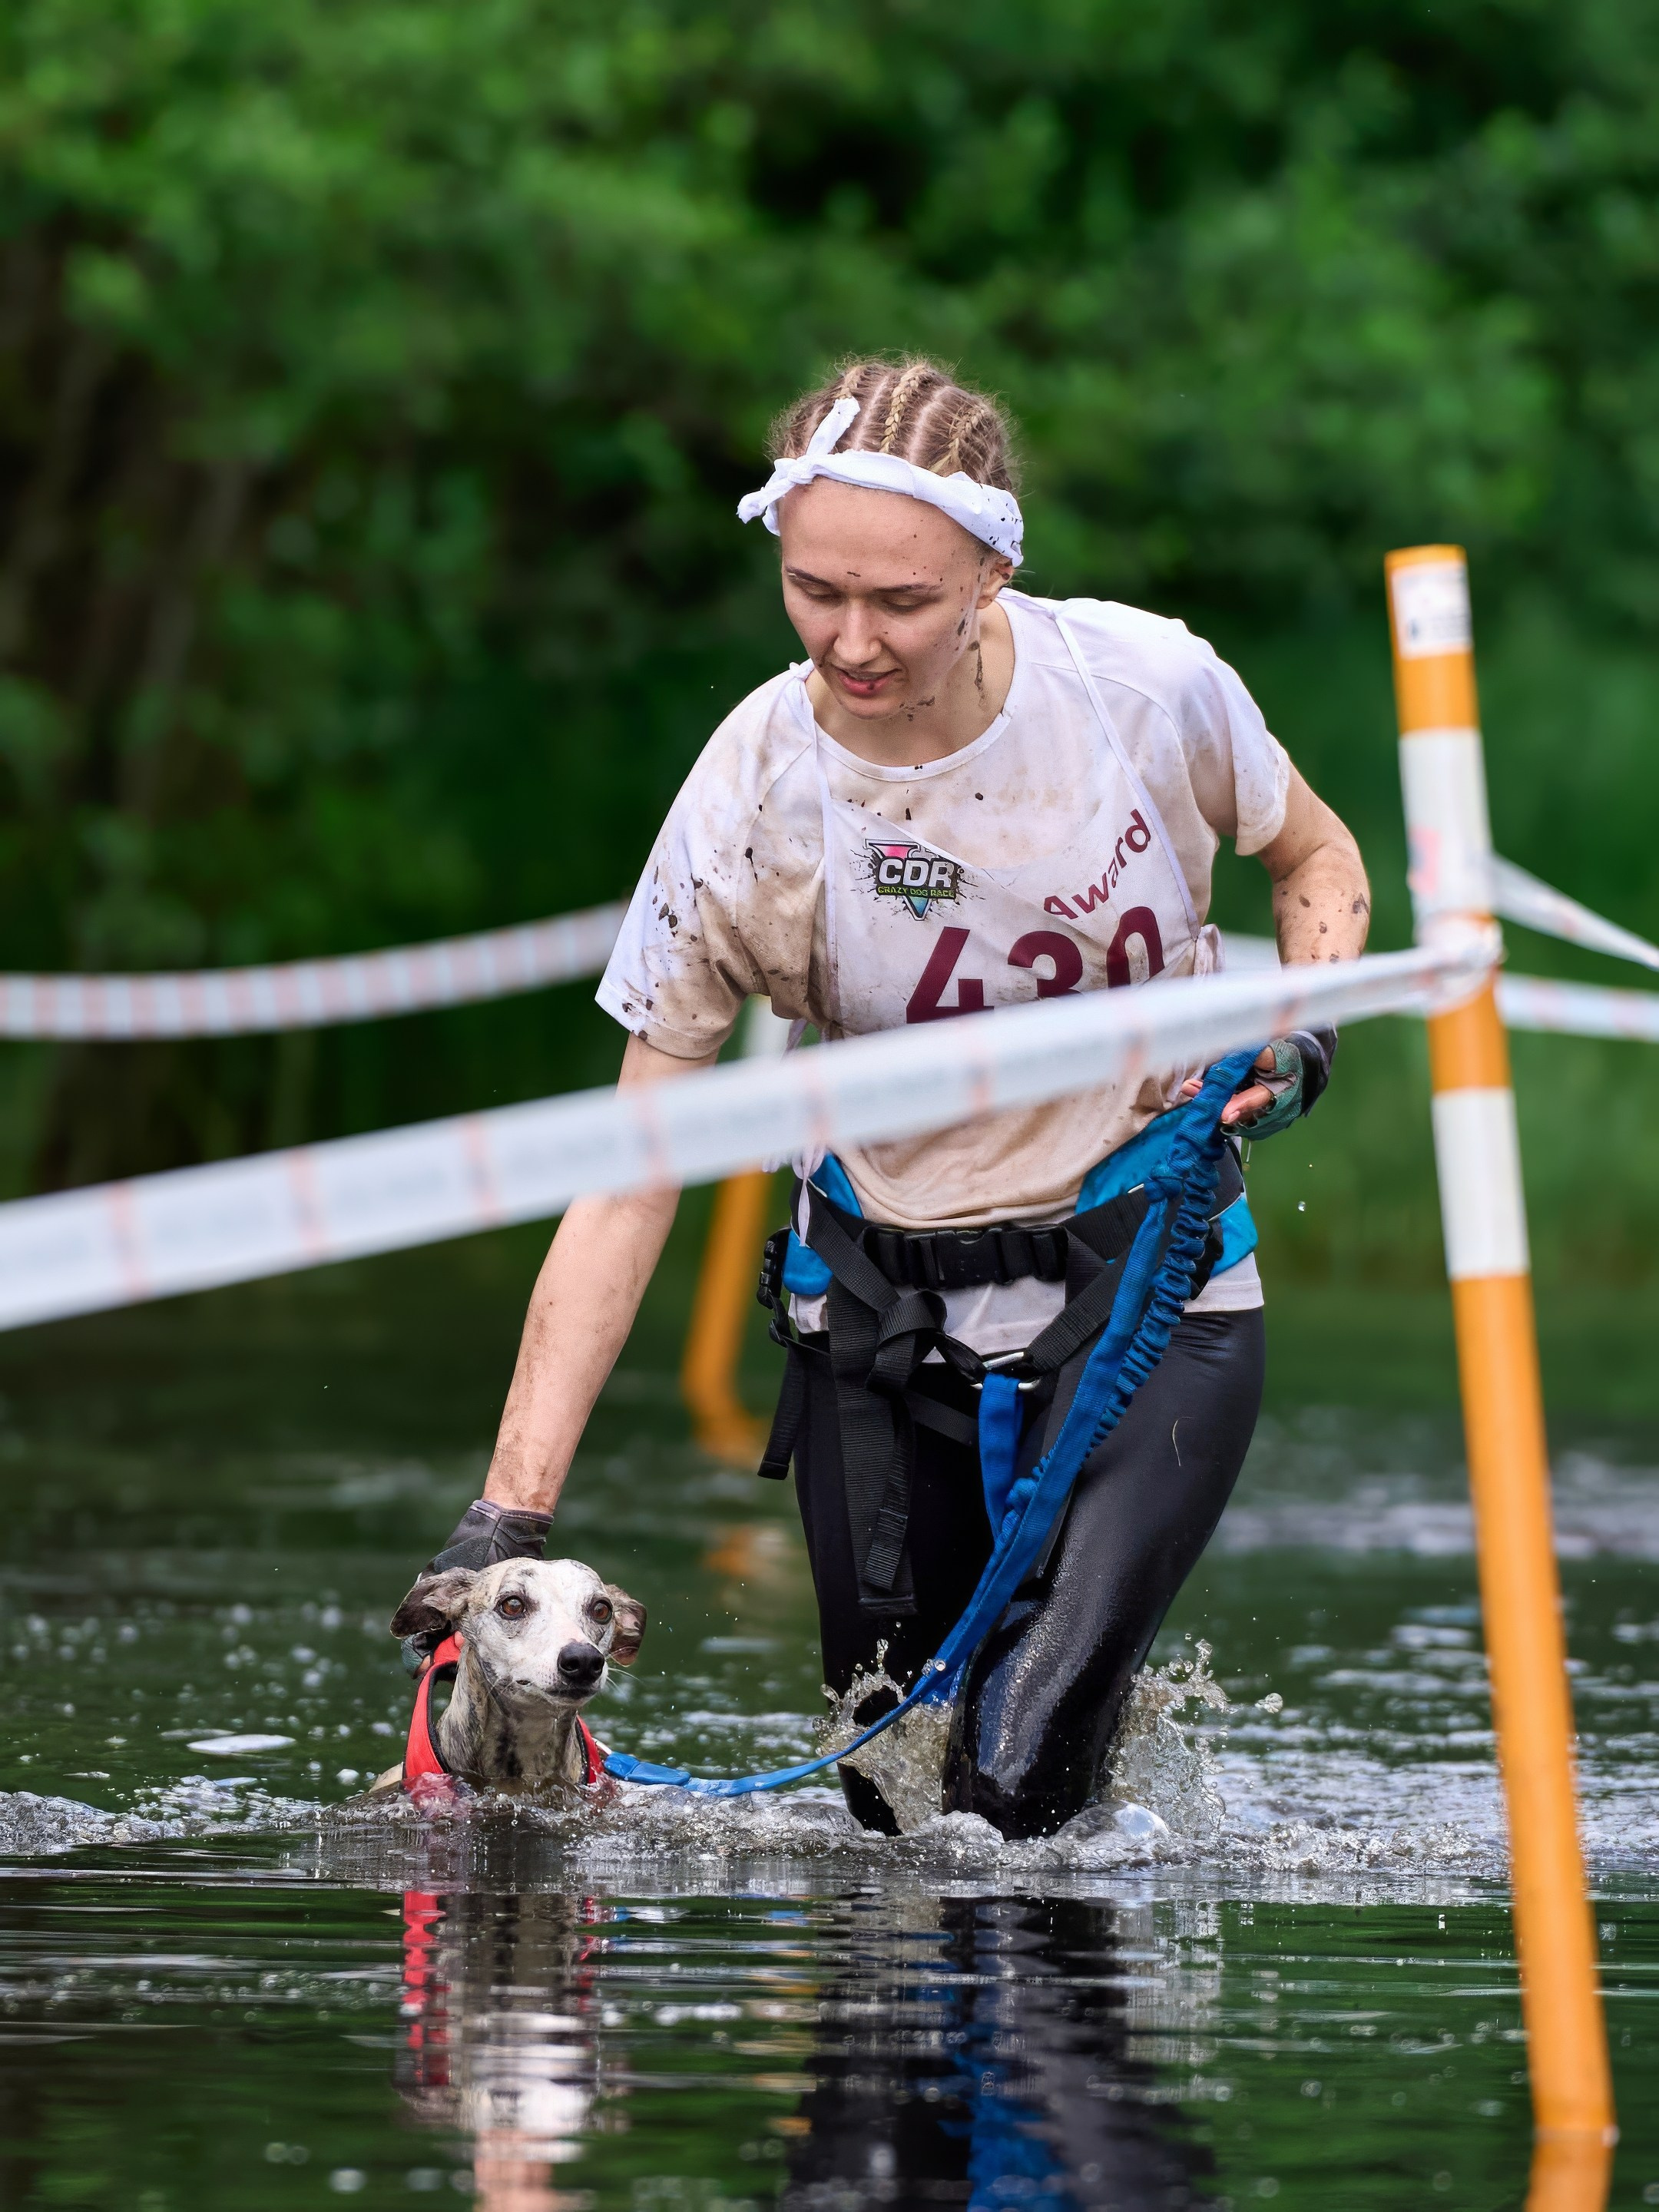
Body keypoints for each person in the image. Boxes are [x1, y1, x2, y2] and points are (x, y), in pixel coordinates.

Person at [402, 357, 1370, 1839]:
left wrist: (1299, 1039)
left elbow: (1320, 866)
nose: (852, 641)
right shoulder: (749, 792)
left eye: (901, 602)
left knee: (1017, 1768)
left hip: (1150, 1295)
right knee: (892, 1794)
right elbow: (633, 1167)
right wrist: (510, 1511)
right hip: (875, 1322)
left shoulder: (1146, 686)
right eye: (813, 591)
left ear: (992, 567)